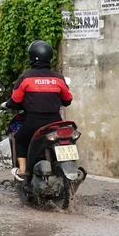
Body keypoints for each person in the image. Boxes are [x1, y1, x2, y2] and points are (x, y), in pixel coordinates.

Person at [8, 40, 72, 180]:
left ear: (31, 57)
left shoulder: (25, 77)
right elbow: (67, 100)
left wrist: (9, 104)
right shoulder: (58, 78)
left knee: (19, 139)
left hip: (33, 121)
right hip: (55, 122)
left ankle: (23, 170)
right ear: (50, 57)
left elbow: (15, 100)